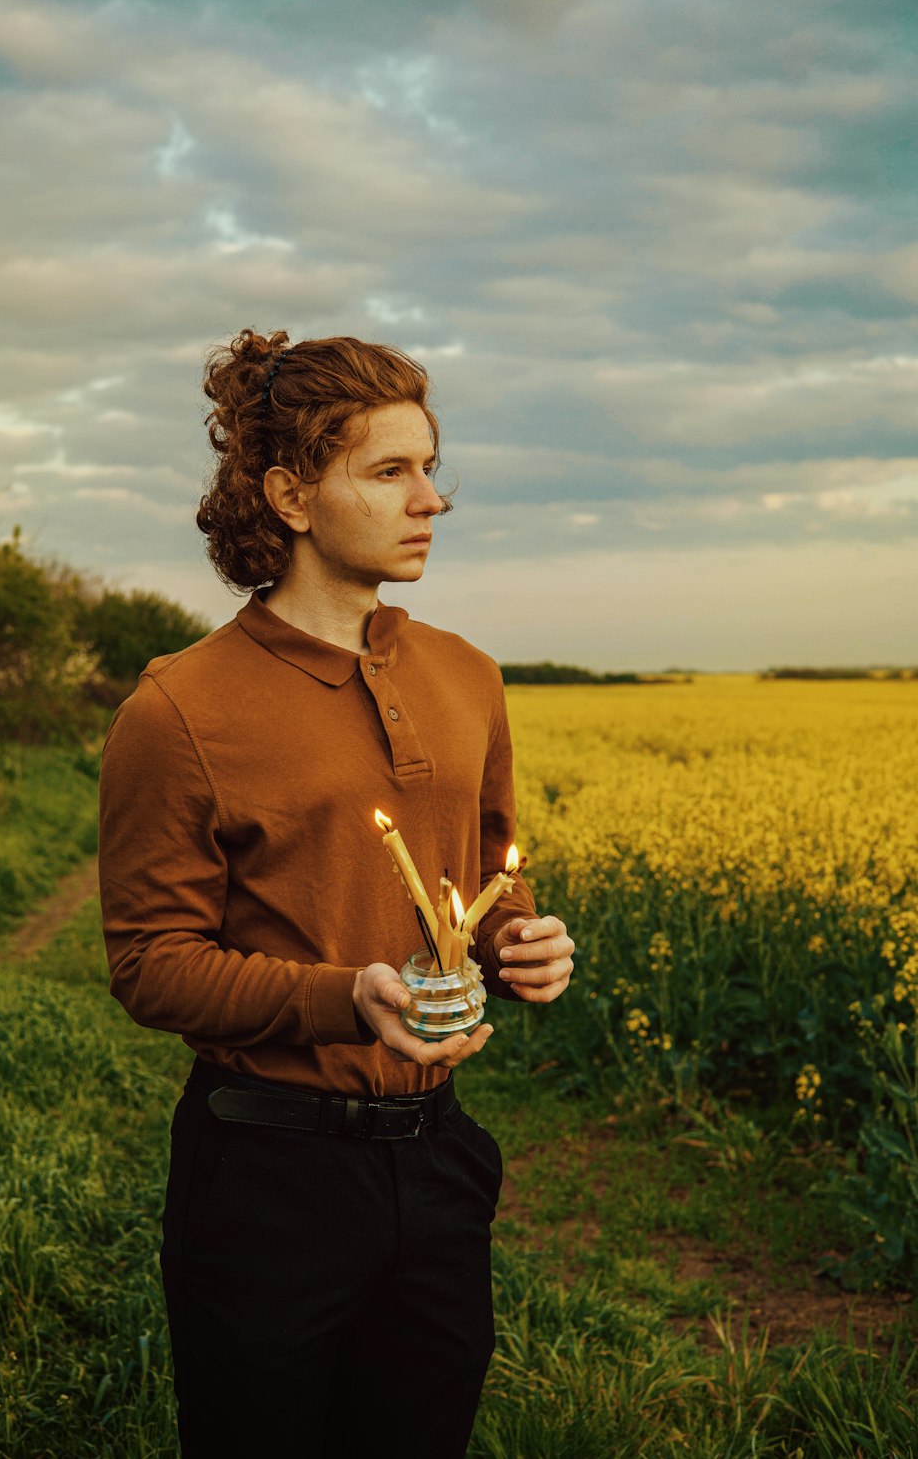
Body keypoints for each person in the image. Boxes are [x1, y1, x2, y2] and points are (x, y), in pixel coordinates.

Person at [98, 328, 575, 1458]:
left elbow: (488, 878)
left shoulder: (467, 676)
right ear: (292, 494)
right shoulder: (177, 709)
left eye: (431, 467)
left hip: (439, 1154)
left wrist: (519, 944)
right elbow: (149, 964)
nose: (431, 501)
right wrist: (342, 997)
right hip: (265, 1175)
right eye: (390, 472)